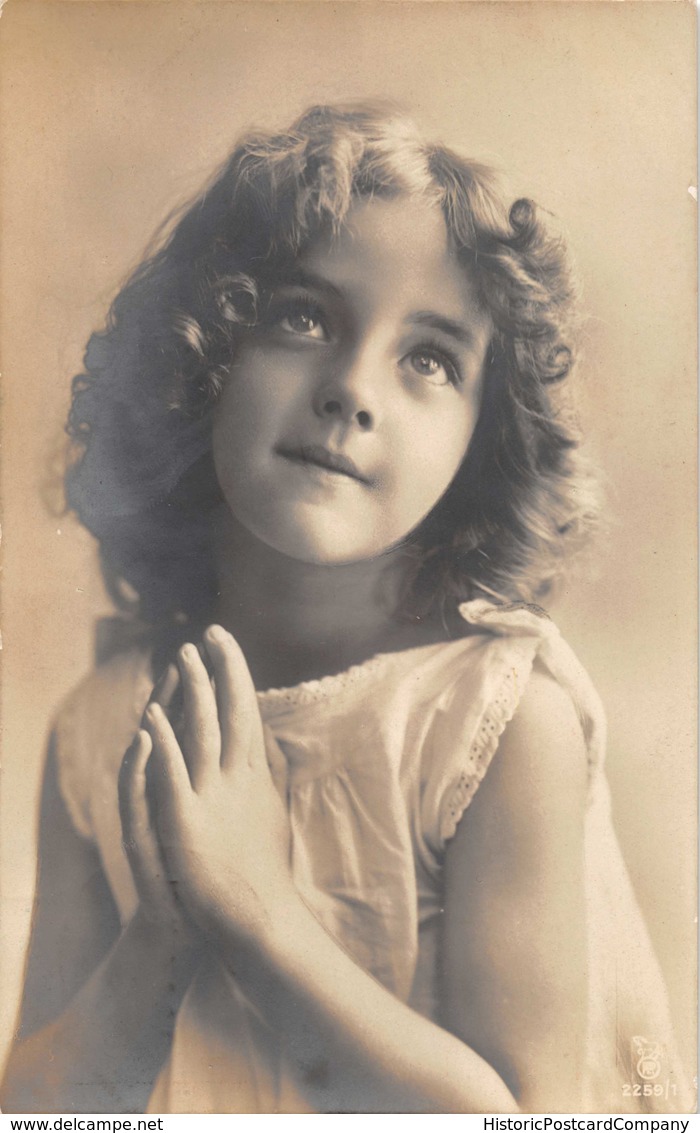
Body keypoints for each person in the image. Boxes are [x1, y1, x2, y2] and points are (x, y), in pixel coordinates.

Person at [1, 103, 693, 1116]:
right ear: (207, 355)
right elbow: (39, 1105)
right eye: (305, 316)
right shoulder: (98, 730)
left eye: (429, 358)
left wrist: (256, 913)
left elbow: (524, 1115)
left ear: (478, 445)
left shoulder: (495, 723)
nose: (352, 390)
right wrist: (159, 939)